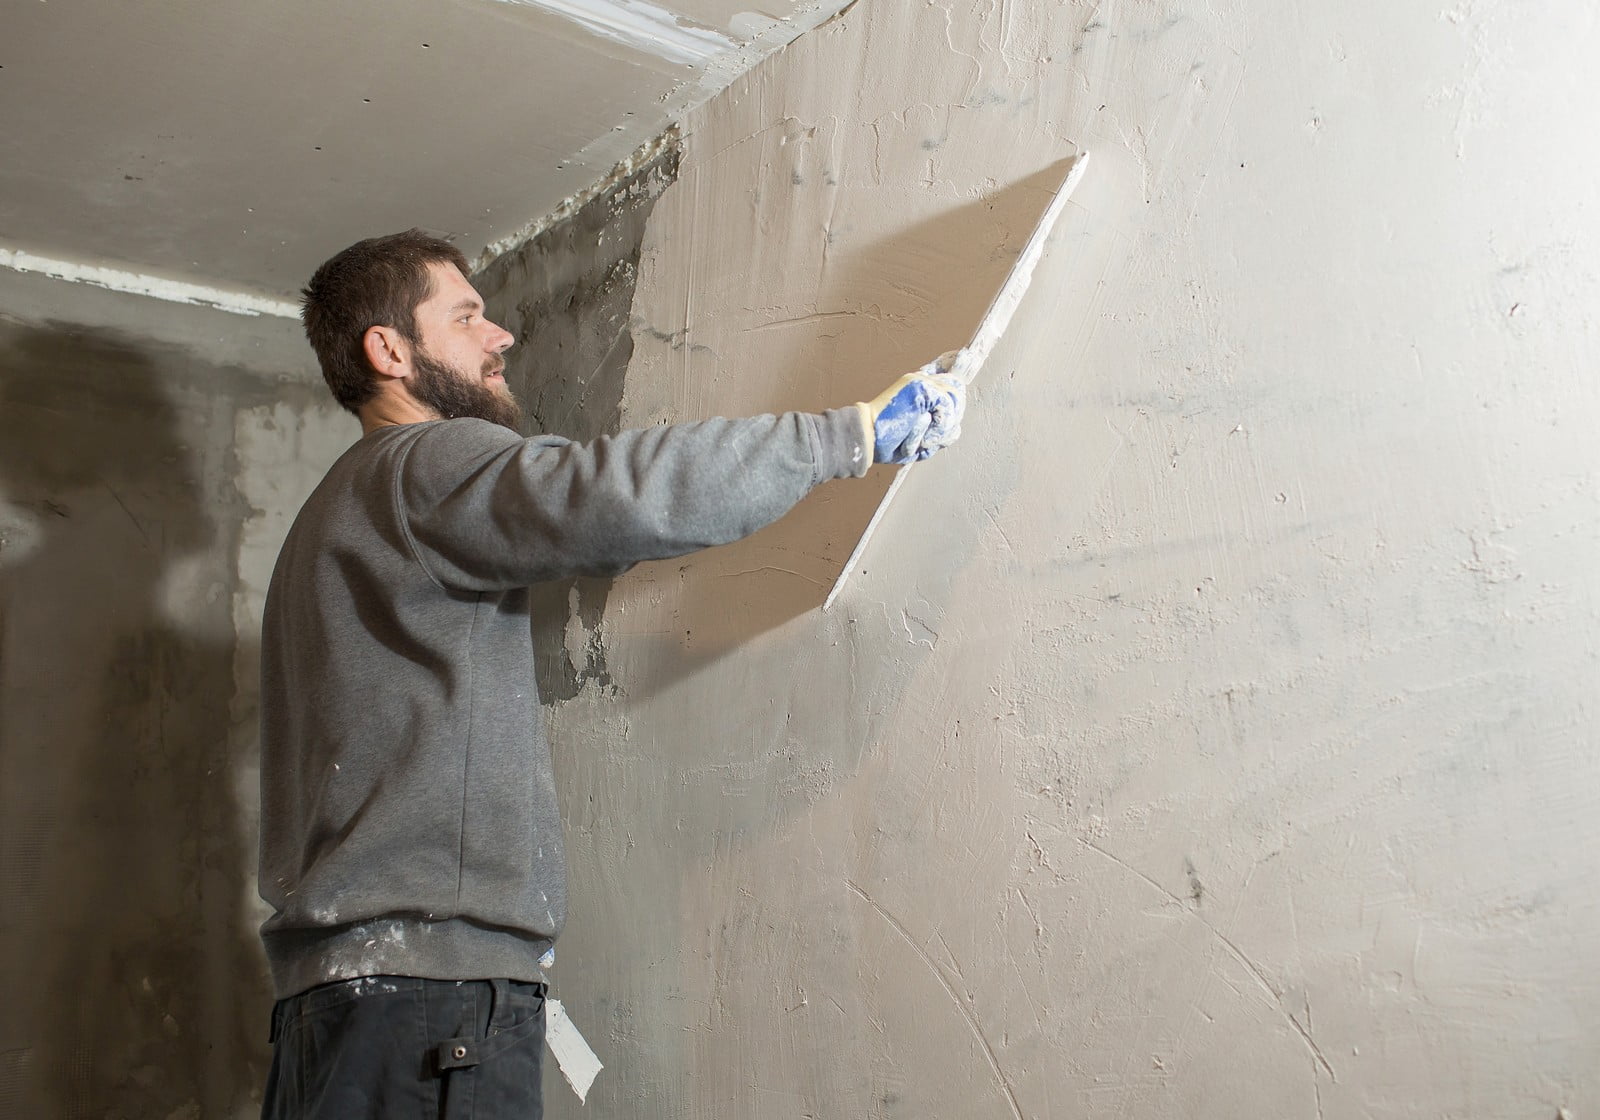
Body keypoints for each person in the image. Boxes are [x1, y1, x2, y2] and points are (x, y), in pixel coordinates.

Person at [256, 229, 965, 1119]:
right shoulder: (423, 464)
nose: (501, 335)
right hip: (428, 1003)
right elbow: (610, 493)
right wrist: (850, 436)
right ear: (389, 350)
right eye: (467, 316)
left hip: (333, 1011)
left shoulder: (325, 520)